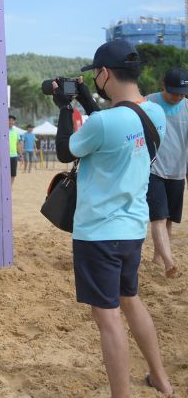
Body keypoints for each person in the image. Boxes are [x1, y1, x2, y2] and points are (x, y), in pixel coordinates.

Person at [54, 39, 172, 397]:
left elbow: (64, 151)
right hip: (133, 228)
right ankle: (161, 379)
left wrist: (64, 107)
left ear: (104, 74)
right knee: (131, 301)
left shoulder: (104, 123)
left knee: (108, 319)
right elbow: (120, 118)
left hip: (98, 232)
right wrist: (88, 101)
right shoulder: (154, 113)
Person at [145, 67, 188, 278]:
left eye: (182, 92)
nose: (178, 96)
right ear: (163, 86)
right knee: (158, 218)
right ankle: (169, 263)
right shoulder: (148, 102)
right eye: (174, 92)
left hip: (178, 172)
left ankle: (158, 257)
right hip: (154, 170)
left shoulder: (187, 106)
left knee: (169, 219)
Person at [8, 115, 22, 186]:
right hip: (5, 156)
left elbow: (18, 144)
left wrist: (20, 154)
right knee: (5, 173)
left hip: (14, 156)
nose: (10, 122)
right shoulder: (2, 131)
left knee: (13, 174)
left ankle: (9, 187)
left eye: (12, 120)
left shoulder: (16, 132)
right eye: (9, 120)